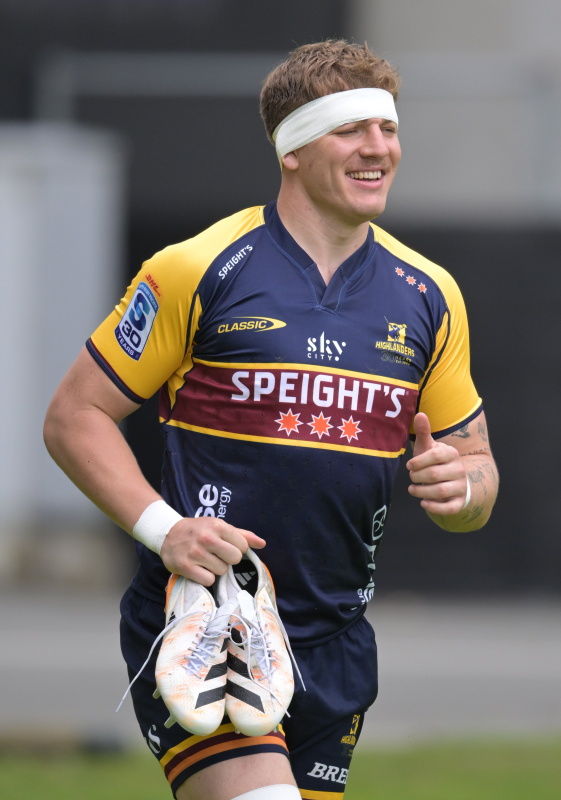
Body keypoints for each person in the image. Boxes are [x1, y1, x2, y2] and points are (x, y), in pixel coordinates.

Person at [44, 39, 499, 800]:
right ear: (292, 146)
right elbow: (74, 415)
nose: (378, 148)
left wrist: (465, 489)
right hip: (210, 621)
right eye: (350, 129)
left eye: (386, 129)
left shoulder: (429, 293)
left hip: (336, 637)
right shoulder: (197, 267)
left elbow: (476, 471)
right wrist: (165, 529)